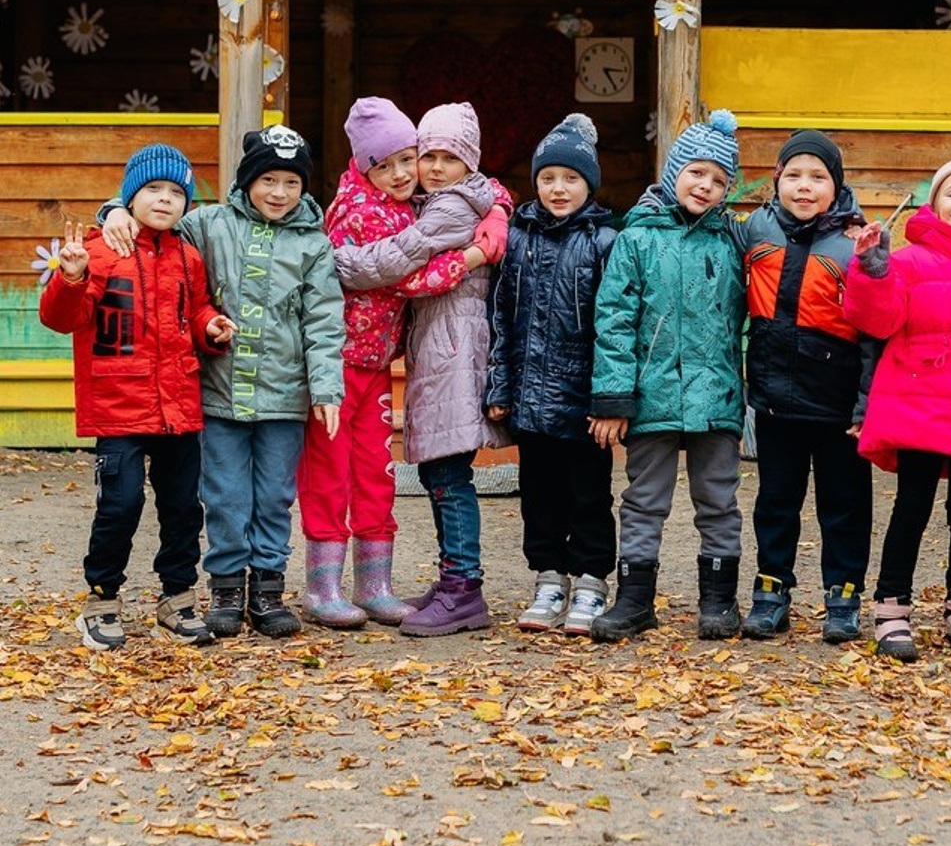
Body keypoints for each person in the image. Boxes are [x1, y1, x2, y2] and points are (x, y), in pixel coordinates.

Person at [102, 125, 346, 640]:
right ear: (247, 180)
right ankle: (228, 586)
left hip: (286, 395)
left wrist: (326, 388)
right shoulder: (207, 224)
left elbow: (323, 322)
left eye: (291, 182)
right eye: (268, 180)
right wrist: (114, 211)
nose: (279, 193)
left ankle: (268, 589)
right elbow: (155, 219)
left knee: (275, 496)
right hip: (217, 392)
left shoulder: (314, 246)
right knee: (225, 494)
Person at [297, 97, 504, 630]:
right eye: (384, 165)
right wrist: (471, 257)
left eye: (407, 160)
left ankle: (374, 584)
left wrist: (498, 211)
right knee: (328, 473)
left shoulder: (413, 205)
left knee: (376, 471)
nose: (402, 173)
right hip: (336, 363)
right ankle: (323, 586)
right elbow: (400, 278)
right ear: (363, 166)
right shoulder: (354, 210)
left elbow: (484, 190)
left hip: (378, 364)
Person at [42, 145, 235, 650]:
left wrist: (210, 325)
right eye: (153, 189)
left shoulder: (188, 258)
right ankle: (102, 600)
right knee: (120, 506)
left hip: (179, 408)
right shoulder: (100, 250)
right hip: (119, 407)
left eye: (176, 192)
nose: (165, 200)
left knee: (182, 509)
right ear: (130, 195)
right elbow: (63, 318)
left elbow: (194, 312)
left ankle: (177, 598)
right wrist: (72, 276)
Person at [845, 157, 951, 661]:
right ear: (935, 202)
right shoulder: (912, 261)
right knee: (911, 506)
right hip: (919, 401)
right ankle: (892, 607)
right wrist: (873, 270)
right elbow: (877, 318)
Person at [589, 109, 747, 642]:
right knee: (643, 499)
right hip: (651, 393)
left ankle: (720, 600)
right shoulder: (635, 239)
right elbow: (613, 318)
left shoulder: (733, 242)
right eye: (696, 172)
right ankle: (634, 599)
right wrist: (613, 397)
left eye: (719, 179)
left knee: (719, 499)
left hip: (716, 394)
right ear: (674, 170)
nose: (705, 185)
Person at [738, 129, 879, 645]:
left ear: (835, 185)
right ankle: (771, 591)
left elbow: (872, 336)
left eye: (817, 177)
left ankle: (843, 595)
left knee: (844, 504)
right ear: (776, 181)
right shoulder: (755, 231)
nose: (804, 186)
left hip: (839, 407)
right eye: (793, 175)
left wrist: (866, 405)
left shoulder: (853, 244)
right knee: (776, 500)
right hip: (774, 403)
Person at [485, 114, 617, 635]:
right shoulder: (518, 239)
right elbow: (500, 316)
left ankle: (590, 580)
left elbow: (616, 325)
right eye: (548, 179)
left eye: (571, 179)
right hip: (529, 396)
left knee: (589, 493)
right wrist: (500, 386)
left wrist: (610, 399)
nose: (558, 189)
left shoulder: (606, 242)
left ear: (589, 184)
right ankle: (548, 577)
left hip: (585, 402)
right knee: (538, 492)